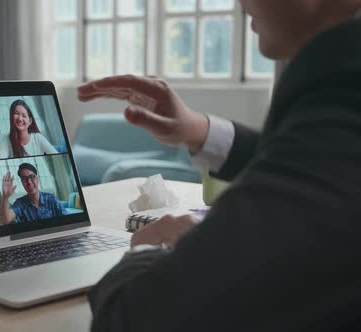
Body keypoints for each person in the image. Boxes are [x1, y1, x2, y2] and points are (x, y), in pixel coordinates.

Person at [78, 1, 361, 331]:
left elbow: (132, 319)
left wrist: (148, 249)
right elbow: (317, 168)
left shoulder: (344, 82)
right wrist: (199, 131)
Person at [0, 163, 67, 225]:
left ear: (37, 178)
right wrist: (5, 197)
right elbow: (5, 220)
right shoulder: (19, 203)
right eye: (24, 178)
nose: (29, 182)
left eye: (32, 177)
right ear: (22, 182)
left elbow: (66, 219)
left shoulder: (51, 198)